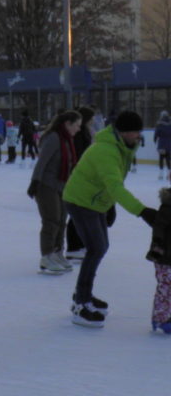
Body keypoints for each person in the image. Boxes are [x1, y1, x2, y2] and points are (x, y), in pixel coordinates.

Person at [63, 110, 157, 328]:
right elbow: (115, 185)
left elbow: (111, 183)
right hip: (80, 200)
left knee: (100, 247)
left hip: (96, 201)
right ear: (123, 132)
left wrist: (109, 205)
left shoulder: (122, 145)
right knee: (95, 248)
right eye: (135, 132)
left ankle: (83, 294)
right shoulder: (106, 150)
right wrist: (142, 211)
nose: (138, 136)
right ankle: (81, 302)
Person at [27, 111, 82, 274]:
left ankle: (57, 252)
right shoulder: (53, 138)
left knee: (62, 220)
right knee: (51, 220)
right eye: (77, 125)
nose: (78, 129)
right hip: (46, 185)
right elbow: (41, 162)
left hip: (62, 185)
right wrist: (34, 183)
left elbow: (71, 164)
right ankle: (46, 256)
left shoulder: (67, 139)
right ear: (67, 124)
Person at [64, 107, 95, 260]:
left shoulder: (85, 132)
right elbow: (78, 155)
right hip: (78, 176)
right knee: (77, 212)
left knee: (82, 212)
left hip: (84, 176)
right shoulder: (79, 135)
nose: (93, 122)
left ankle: (79, 245)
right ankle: (73, 247)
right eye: (91, 119)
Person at [145, 187, 171, 333]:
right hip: (164, 256)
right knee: (165, 287)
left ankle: (166, 316)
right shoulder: (167, 207)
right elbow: (159, 227)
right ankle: (160, 318)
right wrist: (157, 244)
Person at [154, 111, 171, 180]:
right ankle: (168, 174)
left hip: (161, 144)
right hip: (169, 144)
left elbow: (156, 133)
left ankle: (161, 174)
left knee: (161, 158)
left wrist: (155, 139)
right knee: (168, 159)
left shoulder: (159, 124)